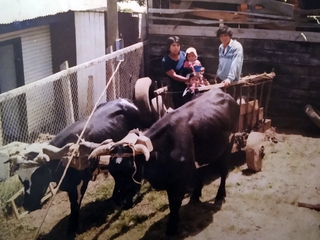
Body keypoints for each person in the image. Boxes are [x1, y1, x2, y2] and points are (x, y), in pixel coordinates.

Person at [162, 36, 189, 108]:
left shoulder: (184, 55)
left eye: (178, 45)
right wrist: (187, 80)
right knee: (179, 108)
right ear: (169, 47)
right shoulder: (166, 60)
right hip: (176, 89)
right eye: (173, 45)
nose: (176, 47)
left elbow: (193, 64)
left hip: (189, 86)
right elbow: (174, 75)